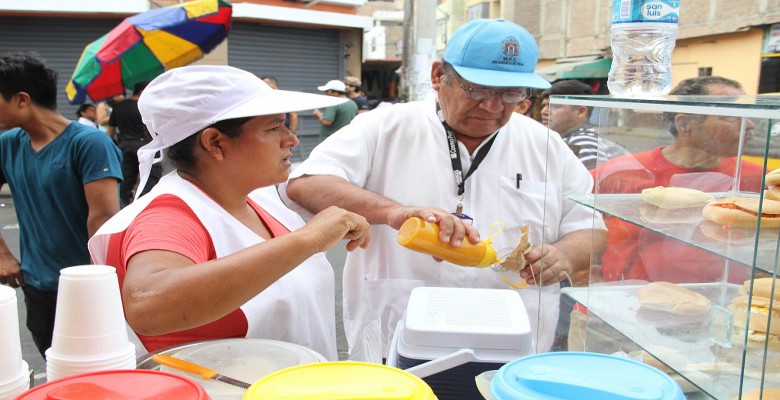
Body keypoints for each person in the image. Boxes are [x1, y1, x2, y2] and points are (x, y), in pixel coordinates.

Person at [282, 19, 606, 361]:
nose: (493, 107)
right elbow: (307, 184)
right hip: (398, 331)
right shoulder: (385, 126)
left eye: (511, 94)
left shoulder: (545, 145)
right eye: (478, 89)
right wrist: (395, 213)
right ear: (439, 76)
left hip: (513, 340)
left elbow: (592, 228)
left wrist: (565, 255)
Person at [88, 65, 371, 358]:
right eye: (274, 128)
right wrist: (307, 239)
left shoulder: (257, 196)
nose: (291, 139)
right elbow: (146, 303)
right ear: (215, 143)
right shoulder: (169, 215)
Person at [0, 52, 122, 358]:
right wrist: (3, 255)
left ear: (22, 100)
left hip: (86, 287)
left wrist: (104, 291)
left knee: (96, 370)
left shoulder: (89, 143)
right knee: (55, 366)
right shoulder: (9, 144)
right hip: (36, 286)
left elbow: (104, 219)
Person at [591, 76, 764, 284]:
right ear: (685, 124)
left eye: (748, 114)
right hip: (628, 303)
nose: (750, 125)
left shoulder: (760, 179)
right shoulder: (619, 172)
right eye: (732, 115)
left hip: (724, 306)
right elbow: (575, 227)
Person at [540, 80, 629, 169]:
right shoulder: (572, 138)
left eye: (554, 106)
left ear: (580, 111)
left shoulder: (582, 141)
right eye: (543, 106)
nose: (543, 111)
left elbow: (590, 181)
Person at [108, 82, 162, 207]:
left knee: (125, 180)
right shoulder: (146, 107)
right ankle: (144, 206)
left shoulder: (119, 107)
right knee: (150, 179)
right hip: (147, 147)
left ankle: (122, 208)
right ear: (143, 92)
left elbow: (110, 132)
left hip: (125, 146)